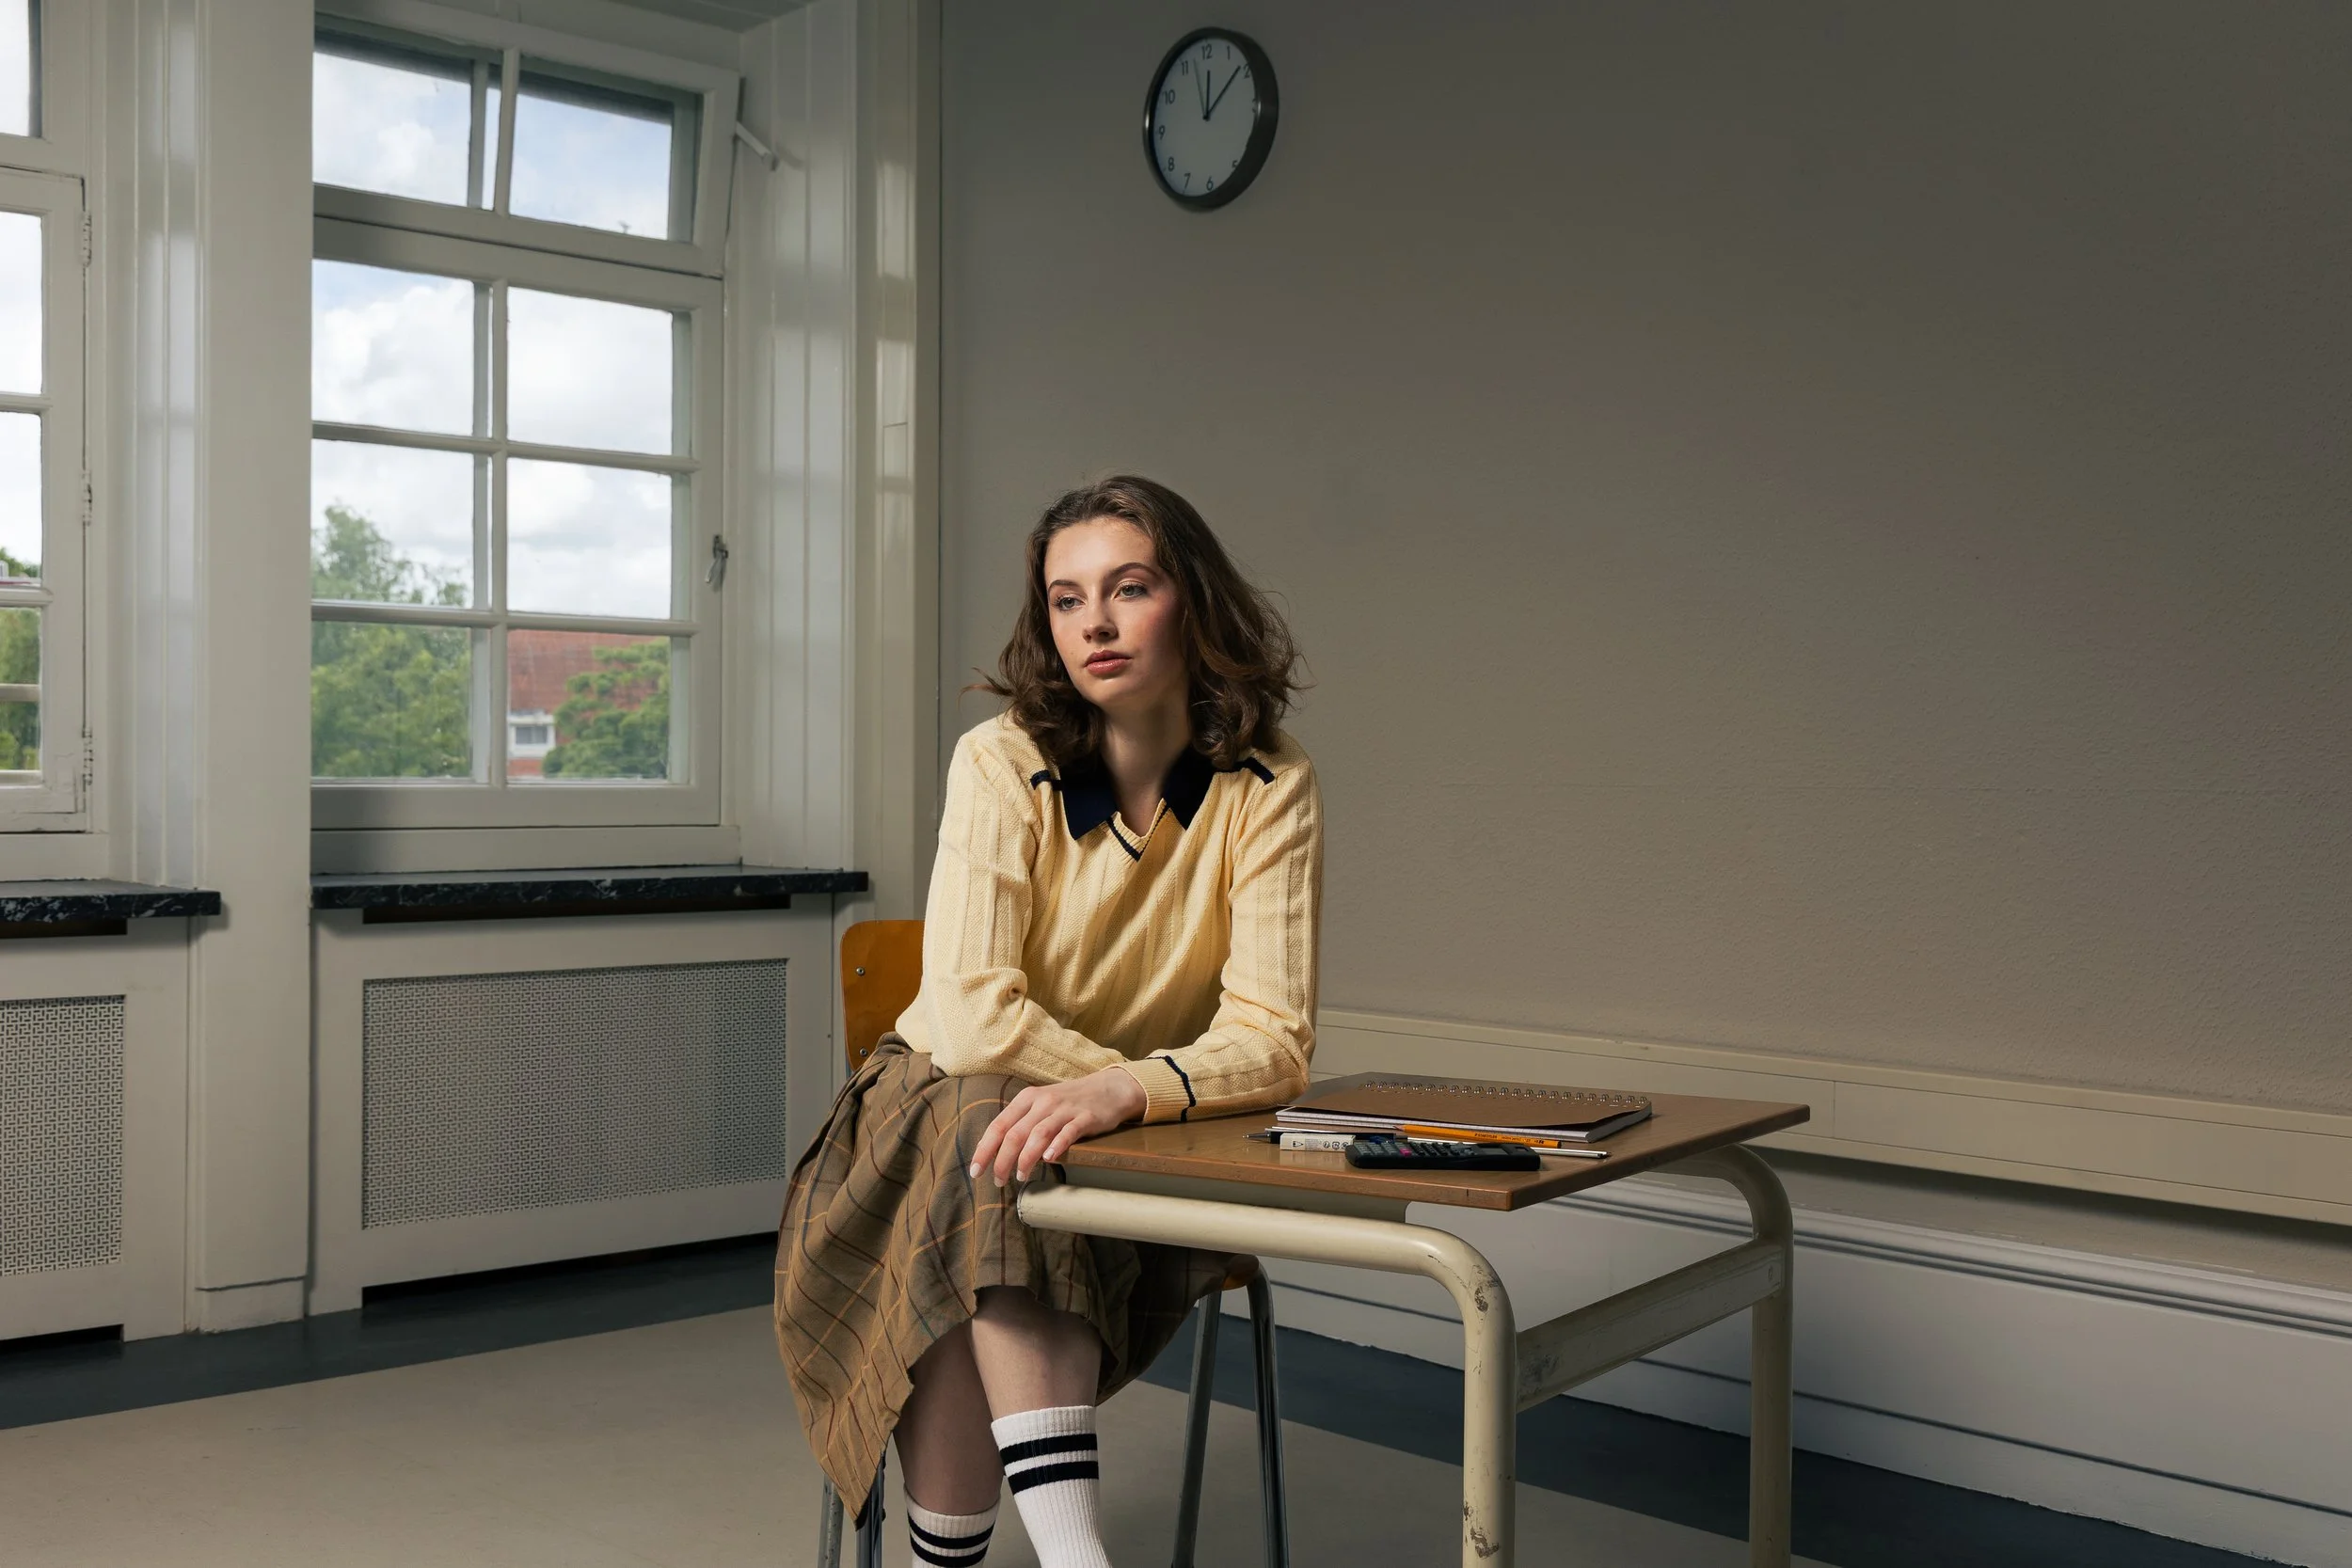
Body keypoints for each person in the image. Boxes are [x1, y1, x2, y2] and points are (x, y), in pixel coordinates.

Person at [775, 475, 1323, 1568]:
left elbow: (1277, 1037)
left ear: (1195, 601)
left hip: (1130, 1134)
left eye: (1129, 588)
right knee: (994, 1123)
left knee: (990, 1182)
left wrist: (1119, 1092)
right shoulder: (1000, 755)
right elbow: (974, 1015)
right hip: (932, 1103)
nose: (1097, 624)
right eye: (1067, 599)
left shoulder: (1271, 782)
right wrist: (1136, 1079)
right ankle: (1076, 1557)